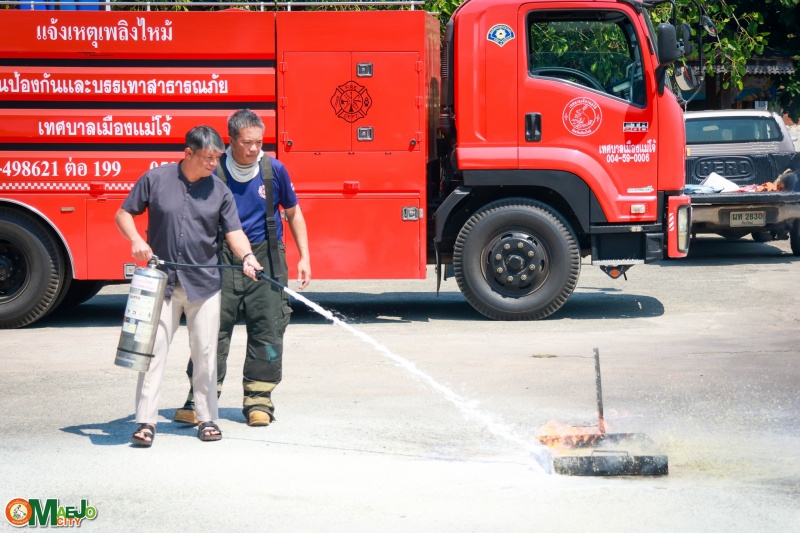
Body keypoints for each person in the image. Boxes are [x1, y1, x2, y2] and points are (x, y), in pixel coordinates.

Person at [115, 125, 263, 447]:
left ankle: (206, 418)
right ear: (188, 153)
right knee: (153, 352)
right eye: (207, 157)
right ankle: (146, 422)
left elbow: (234, 233)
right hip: (162, 282)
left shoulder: (220, 191)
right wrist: (136, 240)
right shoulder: (155, 179)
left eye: (217, 158)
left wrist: (248, 257)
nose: (213, 164)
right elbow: (123, 214)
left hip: (204, 285)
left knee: (205, 353)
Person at [174, 109, 311, 427]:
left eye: (259, 142)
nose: (253, 149)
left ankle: (259, 400)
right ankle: (200, 399)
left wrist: (304, 257)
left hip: (266, 260)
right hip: (220, 259)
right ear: (231, 140)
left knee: (268, 328)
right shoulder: (213, 170)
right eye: (247, 142)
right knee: (210, 330)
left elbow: (293, 213)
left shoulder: (274, 169)